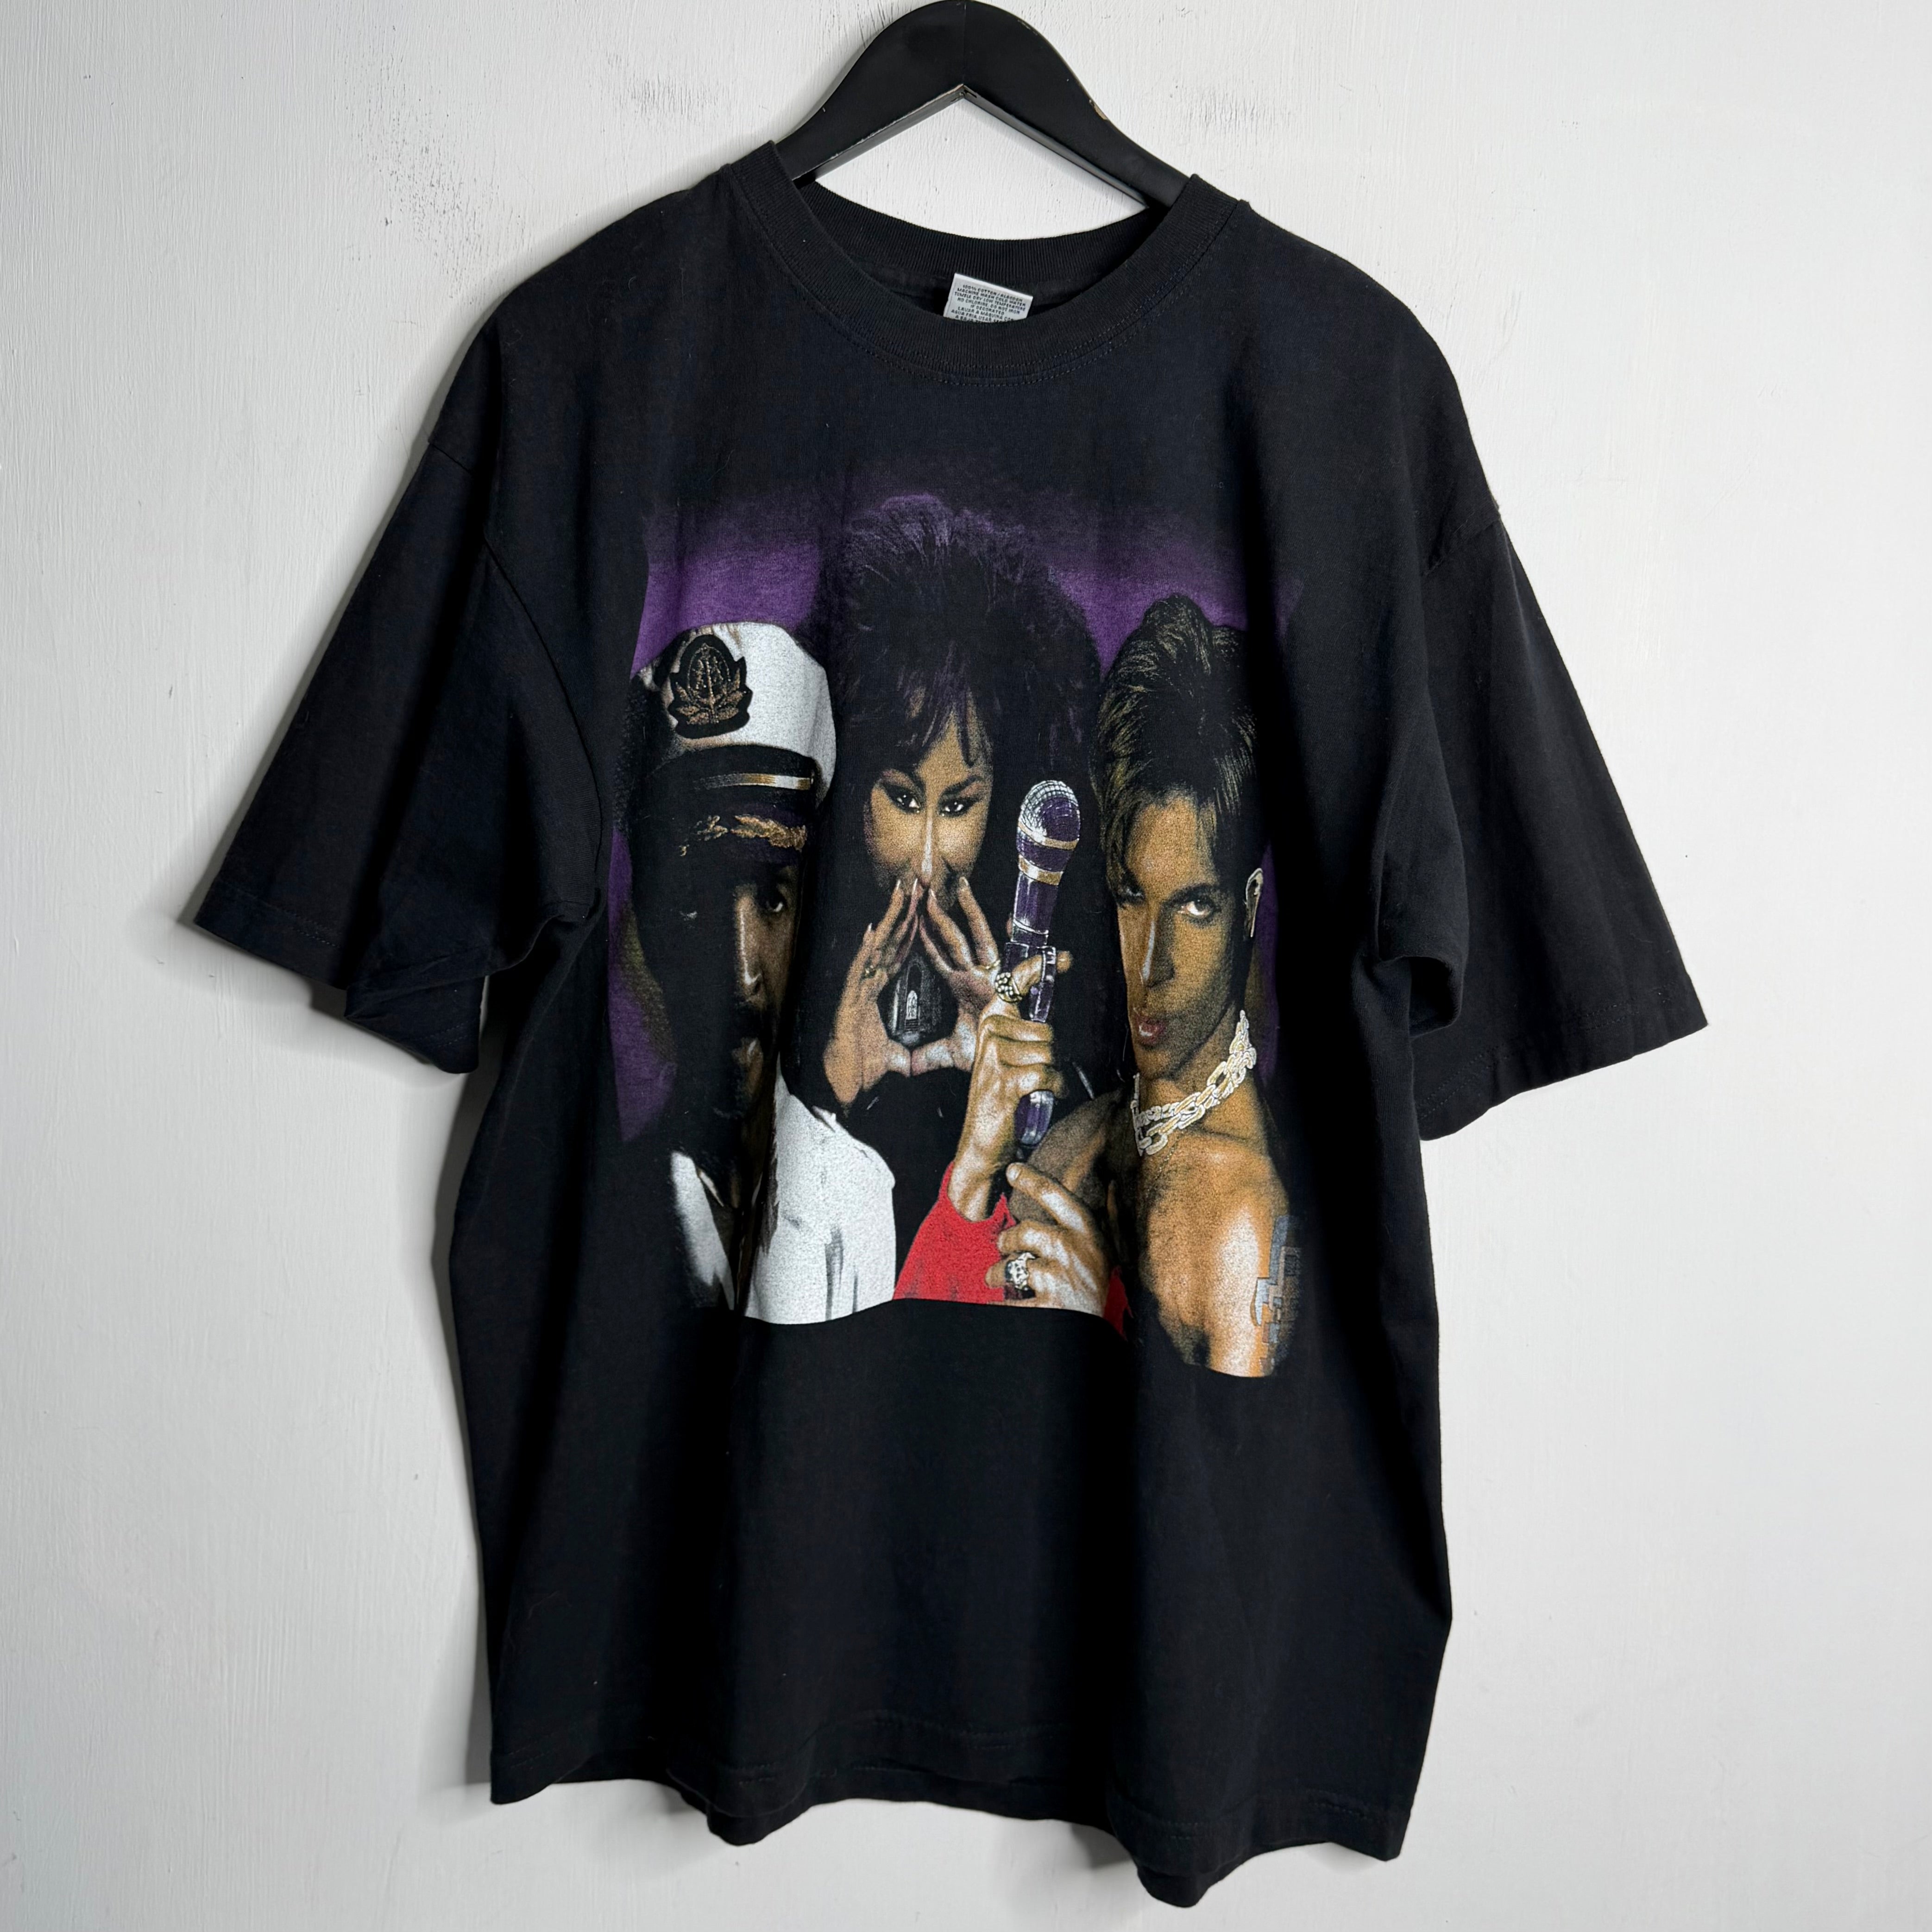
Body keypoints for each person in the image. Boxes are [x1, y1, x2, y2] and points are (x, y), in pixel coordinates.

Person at [896, 594, 1303, 1377]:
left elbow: (1248, 1453)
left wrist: (1099, 1324)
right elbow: (917, 1386)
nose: (1150, 967)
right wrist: (972, 1172)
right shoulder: (1075, 1142)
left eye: (1194, 906)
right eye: (1130, 897)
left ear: (1250, 906)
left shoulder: (1246, 1217)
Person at [775, 496, 1114, 1280]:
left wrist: (1022, 1102)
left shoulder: (1062, 976)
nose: (927, 862)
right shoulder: (775, 942)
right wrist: (827, 1093)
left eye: (959, 806)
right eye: (901, 798)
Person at [614, 620, 852, 1309]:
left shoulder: (859, 1198)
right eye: (696, 902)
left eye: (774, 900)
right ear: (650, 925)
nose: (743, 972)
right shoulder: (614, 1208)